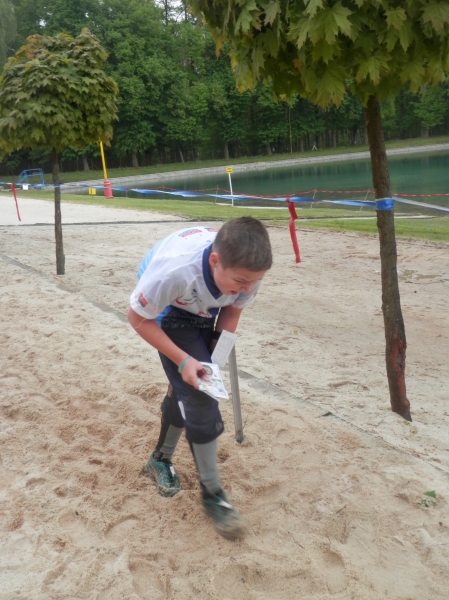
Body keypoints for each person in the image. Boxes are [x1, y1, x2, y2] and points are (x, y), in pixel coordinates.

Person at [128, 217, 272, 539]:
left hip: (202, 304)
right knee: (201, 396)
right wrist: (183, 361)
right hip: (167, 308)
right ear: (215, 261)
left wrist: (213, 361)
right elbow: (137, 317)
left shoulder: (245, 274)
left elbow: (232, 310)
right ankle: (213, 494)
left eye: (254, 283)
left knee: (196, 383)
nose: (247, 289)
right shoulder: (172, 272)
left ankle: (159, 459)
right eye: (241, 281)